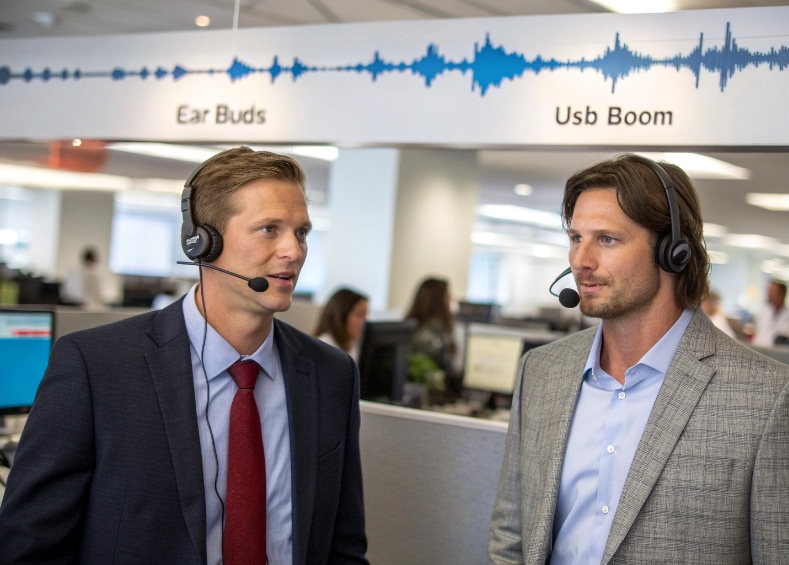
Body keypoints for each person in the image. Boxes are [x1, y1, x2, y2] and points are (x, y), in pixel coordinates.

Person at [0, 147, 368, 564]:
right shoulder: (97, 366)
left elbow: (343, 545)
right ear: (202, 242)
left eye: (301, 232)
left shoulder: (330, 373)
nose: (294, 251)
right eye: (269, 229)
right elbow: (29, 545)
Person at [489, 154, 789, 564]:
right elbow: (511, 533)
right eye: (575, 238)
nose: (580, 261)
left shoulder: (773, 401)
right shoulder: (543, 372)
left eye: (606, 239)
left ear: (672, 252)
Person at [405, 277, 458, 377]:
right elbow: (450, 371)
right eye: (448, 296)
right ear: (439, 301)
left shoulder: (412, 326)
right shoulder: (431, 335)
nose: (452, 300)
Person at [751, 280, 789, 349]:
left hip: (781, 358)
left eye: (772, 292)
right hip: (760, 354)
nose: (768, 295)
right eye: (768, 291)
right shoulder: (764, 314)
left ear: (781, 294)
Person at [313, 288, 369, 361]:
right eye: (360, 314)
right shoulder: (323, 347)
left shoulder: (354, 345)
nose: (366, 321)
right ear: (340, 317)